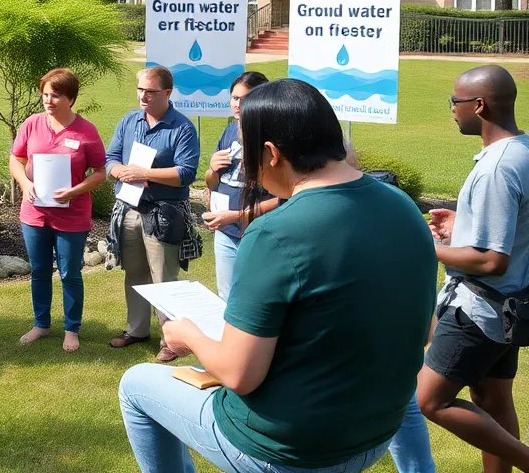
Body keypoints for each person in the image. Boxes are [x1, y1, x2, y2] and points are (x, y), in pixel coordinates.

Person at [119, 78, 438, 473]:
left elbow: (239, 375)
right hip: (371, 435)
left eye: (244, 153)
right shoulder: (402, 207)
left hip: (285, 447)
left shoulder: (276, 232)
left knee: (135, 384)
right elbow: (425, 330)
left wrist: (188, 335)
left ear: (270, 154)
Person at [418, 65, 529, 472]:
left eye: (455, 101)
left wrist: (425, 246)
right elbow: (513, 232)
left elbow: (490, 261)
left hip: (479, 311)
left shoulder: (496, 168)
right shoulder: (523, 151)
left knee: (430, 399)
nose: (452, 109)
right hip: (510, 309)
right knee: (494, 401)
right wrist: (460, 226)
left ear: (479, 105)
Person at [105, 65, 201, 362]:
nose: (143, 96)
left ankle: (172, 341)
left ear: (167, 93)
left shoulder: (182, 128)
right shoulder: (128, 121)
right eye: (140, 90)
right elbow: (110, 159)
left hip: (164, 213)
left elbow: (186, 173)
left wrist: (144, 173)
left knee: (164, 278)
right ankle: (136, 330)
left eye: (150, 91)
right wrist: (119, 170)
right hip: (130, 209)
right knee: (135, 274)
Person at [9, 68, 106, 352]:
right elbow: (16, 158)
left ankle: (71, 328)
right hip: (35, 213)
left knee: (70, 273)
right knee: (39, 270)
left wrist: (75, 190)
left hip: (72, 215)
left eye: (56, 95)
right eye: (46, 94)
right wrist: (25, 183)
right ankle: (41, 323)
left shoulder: (86, 131)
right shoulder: (32, 124)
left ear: (71, 98)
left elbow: (100, 172)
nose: (48, 101)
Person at [202, 71, 269, 301]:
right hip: (225, 232)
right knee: (226, 298)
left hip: (258, 233)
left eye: (244, 99)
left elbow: (284, 200)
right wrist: (212, 168)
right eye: (234, 98)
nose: (238, 105)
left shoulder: (271, 138)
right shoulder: (230, 130)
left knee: (254, 298)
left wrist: (237, 216)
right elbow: (212, 183)